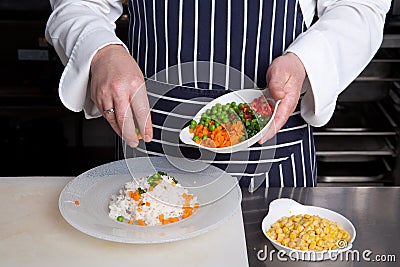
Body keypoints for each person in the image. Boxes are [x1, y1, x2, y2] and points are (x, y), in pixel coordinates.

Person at [46, 0, 390, 189]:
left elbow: (360, 6)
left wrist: (304, 62)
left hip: (274, 160)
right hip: (150, 146)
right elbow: (77, 5)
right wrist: (102, 52)